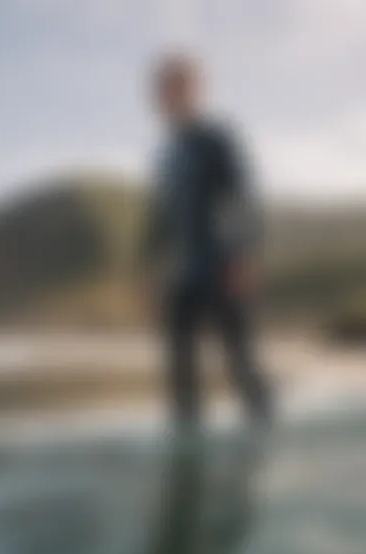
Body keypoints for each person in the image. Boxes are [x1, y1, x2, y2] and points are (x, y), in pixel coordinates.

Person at [141, 52, 272, 432]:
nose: (170, 96)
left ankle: (265, 432)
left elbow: (243, 198)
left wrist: (244, 257)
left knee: (241, 363)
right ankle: (188, 445)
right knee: (179, 371)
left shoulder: (216, 140)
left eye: (178, 87)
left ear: (195, 91)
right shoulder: (165, 157)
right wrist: (149, 275)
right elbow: (158, 222)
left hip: (222, 267)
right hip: (182, 278)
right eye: (164, 89)